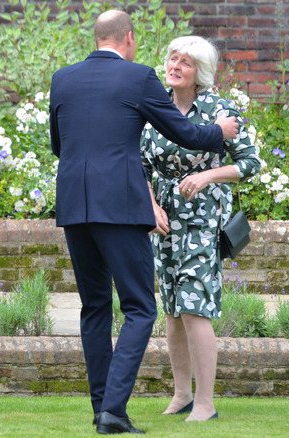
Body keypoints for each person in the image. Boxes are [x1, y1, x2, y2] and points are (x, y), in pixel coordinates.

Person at [49, 10, 239, 435]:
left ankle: (102, 407)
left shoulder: (62, 78)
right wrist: (219, 131)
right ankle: (114, 411)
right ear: (129, 38)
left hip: (75, 207)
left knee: (94, 307)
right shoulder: (138, 77)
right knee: (139, 307)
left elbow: (58, 145)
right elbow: (184, 133)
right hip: (119, 206)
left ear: (97, 37)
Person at [140, 36, 261, 422]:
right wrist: (151, 205)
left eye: (185, 63)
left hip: (202, 218)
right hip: (164, 221)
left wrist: (208, 176)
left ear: (200, 74)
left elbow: (250, 163)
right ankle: (181, 395)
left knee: (195, 307)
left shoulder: (218, 109)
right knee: (173, 310)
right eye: (172, 58)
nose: (175, 65)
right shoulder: (154, 105)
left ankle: (206, 403)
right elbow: (138, 164)